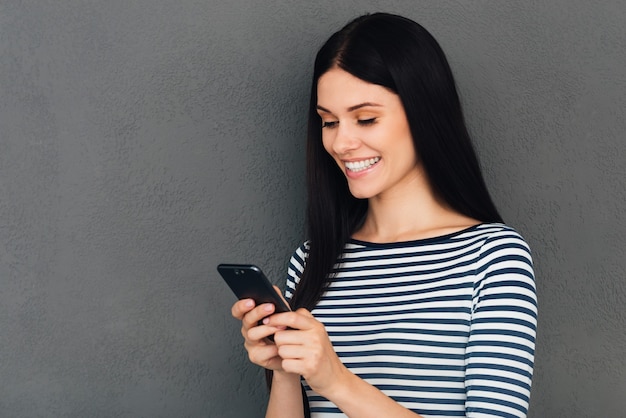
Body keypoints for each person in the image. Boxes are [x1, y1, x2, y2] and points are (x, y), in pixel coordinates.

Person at [231, 12, 537, 418]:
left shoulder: (493, 258)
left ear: (424, 111)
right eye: (329, 122)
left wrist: (335, 380)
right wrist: (285, 369)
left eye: (366, 118)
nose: (341, 142)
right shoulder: (311, 260)